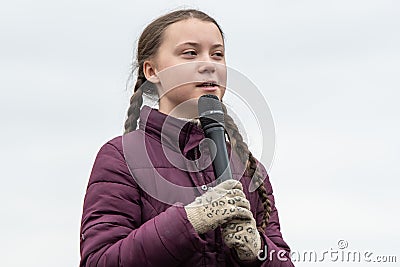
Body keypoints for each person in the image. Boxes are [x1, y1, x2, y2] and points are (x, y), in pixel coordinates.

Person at [79, 9, 294, 267]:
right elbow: (99, 260)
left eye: (217, 54)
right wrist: (192, 219)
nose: (209, 64)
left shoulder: (247, 166)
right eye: (190, 53)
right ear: (152, 71)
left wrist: (258, 251)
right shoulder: (121, 156)